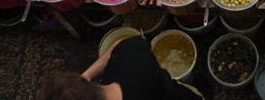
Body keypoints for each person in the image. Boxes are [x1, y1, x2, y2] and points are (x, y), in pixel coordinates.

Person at [36, 35, 203, 100]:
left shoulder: (115, 71)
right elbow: (122, 43)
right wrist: (84, 76)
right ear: (86, 81)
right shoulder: (134, 62)